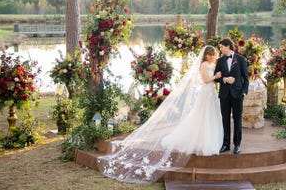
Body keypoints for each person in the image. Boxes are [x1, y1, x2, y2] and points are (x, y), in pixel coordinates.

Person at [97, 45, 223, 184]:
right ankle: (198, 141)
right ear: (205, 56)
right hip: (206, 93)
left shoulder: (212, 63)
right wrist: (216, 77)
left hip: (211, 94)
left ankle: (205, 138)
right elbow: (205, 80)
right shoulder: (205, 65)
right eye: (210, 55)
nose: (211, 57)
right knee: (201, 117)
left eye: (213, 54)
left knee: (207, 118)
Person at [215, 38, 249, 155]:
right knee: (225, 120)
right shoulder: (220, 60)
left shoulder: (241, 59)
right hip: (224, 95)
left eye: (221, 47)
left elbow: (246, 79)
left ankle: (237, 145)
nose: (220, 49)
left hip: (238, 95)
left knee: (237, 119)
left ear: (228, 46)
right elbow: (216, 76)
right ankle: (225, 144)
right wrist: (224, 79)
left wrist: (244, 92)